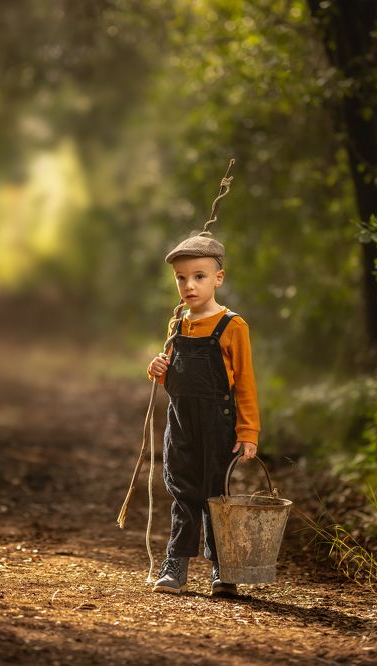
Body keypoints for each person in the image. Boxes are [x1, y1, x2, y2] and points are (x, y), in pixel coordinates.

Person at [146, 233, 260, 596]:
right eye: (182, 278)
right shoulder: (178, 325)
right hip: (181, 422)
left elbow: (244, 382)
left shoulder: (232, 326)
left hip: (218, 423)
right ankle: (176, 564)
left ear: (218, 278)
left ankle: (222, 570)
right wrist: (159, 369)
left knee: (216, 493)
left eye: (199, 276)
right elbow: (174, 381)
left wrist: (248, 432)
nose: (189, 285)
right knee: (183, 489)